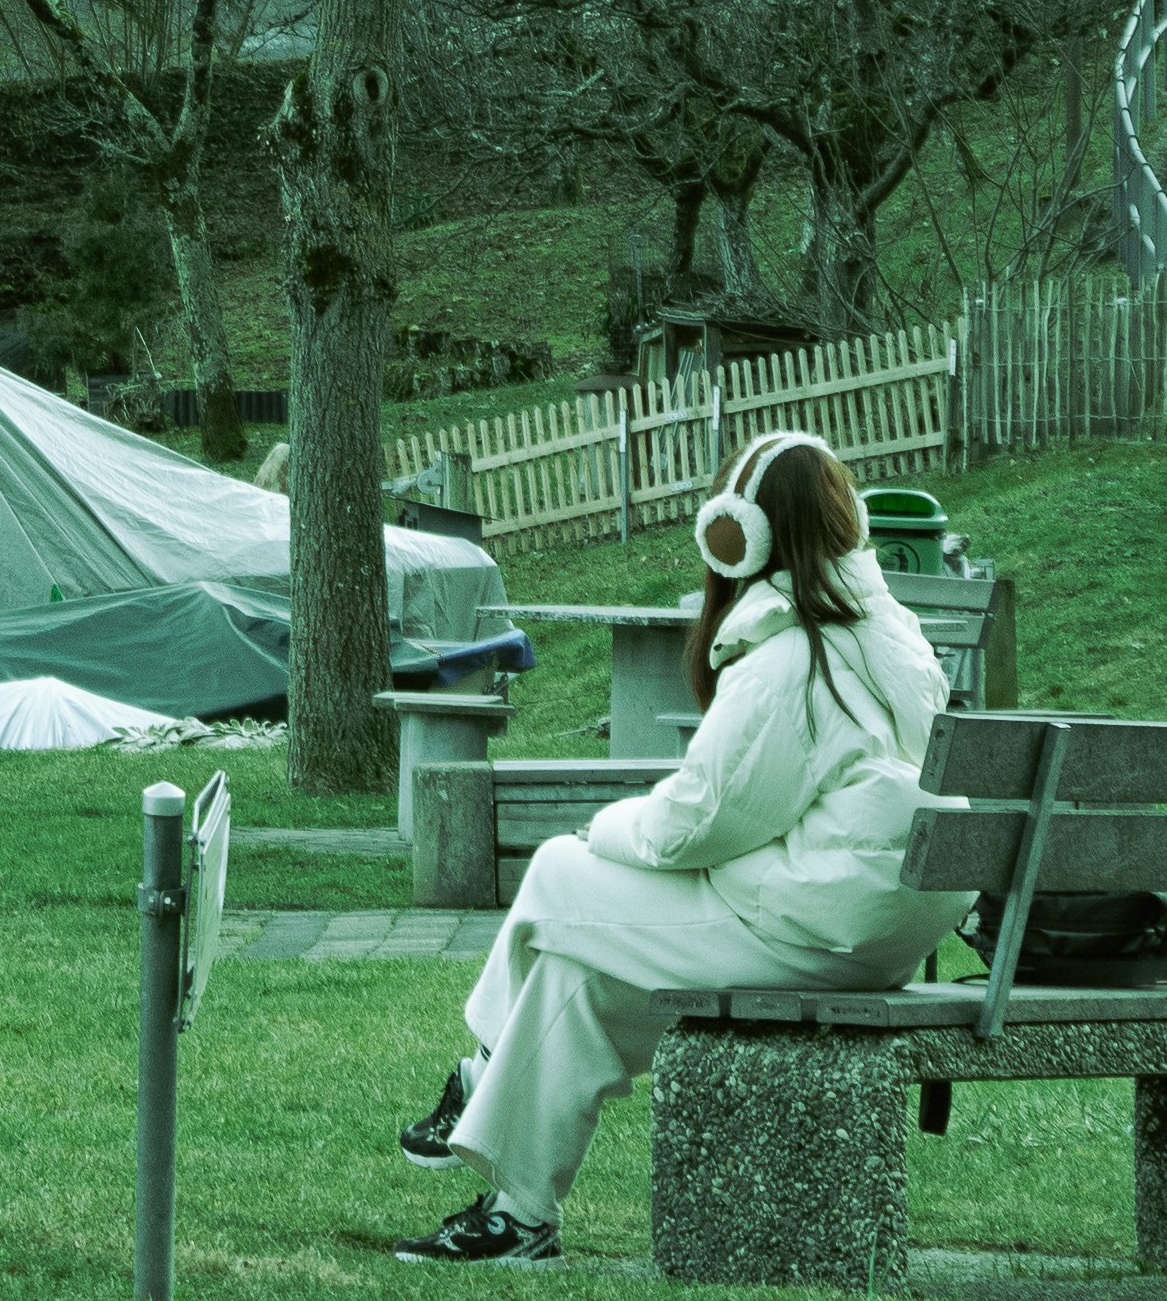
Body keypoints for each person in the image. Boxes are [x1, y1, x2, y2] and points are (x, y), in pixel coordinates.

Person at [386, 430, 979, 1264]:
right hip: (876, 920)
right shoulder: (893, 636)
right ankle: (518, 1213)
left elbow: (698, 823)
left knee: (559, 869)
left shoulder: (789, 660)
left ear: (742, 534)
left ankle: (482, 1068)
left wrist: (604, 829)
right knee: (575, 974)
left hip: (815, 926)